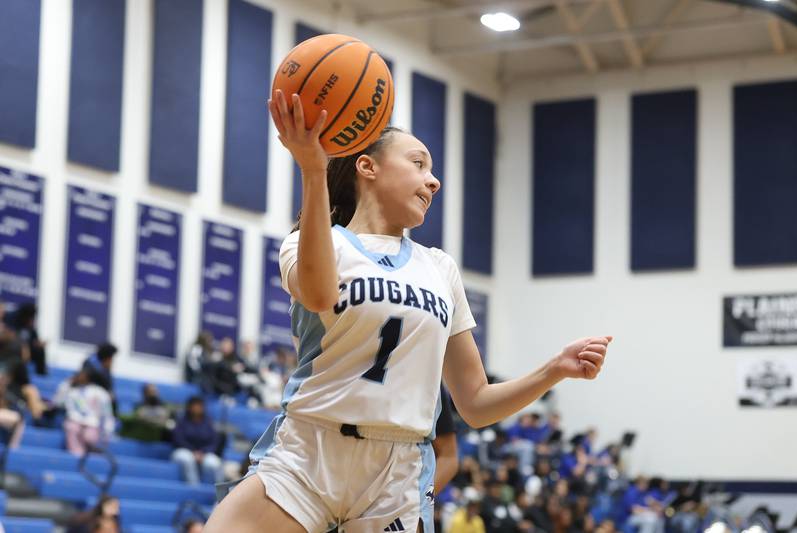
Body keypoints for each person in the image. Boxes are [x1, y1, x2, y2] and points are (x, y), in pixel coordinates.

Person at [204, 90, 612, 533]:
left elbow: (473, 403)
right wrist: (313, 169)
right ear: (368, 166)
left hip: (397, 470)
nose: (434, 181)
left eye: (432, 171)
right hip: (309, 449)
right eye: (419, 163)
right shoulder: (318, 242)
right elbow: (320, 295)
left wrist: (554, 369)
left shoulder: (440, 268)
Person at [62, 370, 116, 456]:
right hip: (75, 422)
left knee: (89, 436)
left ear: (88, 378)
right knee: (72, 428)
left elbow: (107, 414)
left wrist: (107, 431)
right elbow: (65, 405)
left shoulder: (102, 393)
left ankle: (90, 458)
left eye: (82, 375)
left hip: (93, 426)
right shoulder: (73, 391)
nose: (79, 376)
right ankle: (76, 457)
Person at [171, 396, 223, 485]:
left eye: (199, 406)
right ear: (189, 407)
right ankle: (194, 488)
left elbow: (214, 442)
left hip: (204, 454)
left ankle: (216, 494)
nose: (197, 408)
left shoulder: (208, 423)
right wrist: (193, 452)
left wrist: (203, 452)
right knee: (188, 459)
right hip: (183, 451)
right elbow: (178, 439)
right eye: (195, 406)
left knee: (215, 463)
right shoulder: (182, 421)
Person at [12, 302, 47, 375]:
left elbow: (35, 341)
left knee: (40, 350)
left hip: (28, 351)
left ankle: (41, 373)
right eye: (31, 317)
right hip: (16, 350)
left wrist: (39, 344)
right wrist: (24, 347)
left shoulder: (31, 328)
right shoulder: (14, 324)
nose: (32, 319)